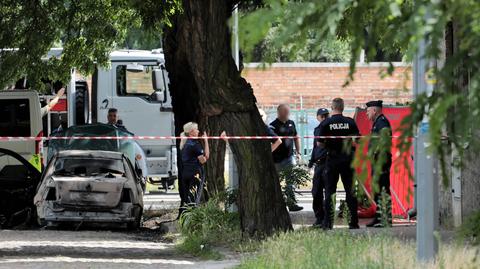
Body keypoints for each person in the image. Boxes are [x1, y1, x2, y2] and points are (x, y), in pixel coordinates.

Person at [318, 98, 360, 229]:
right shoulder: (350, 122)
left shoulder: (326, 123)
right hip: (348, 160)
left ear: (332, 107)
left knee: (330, 191)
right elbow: (358, 141)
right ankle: (353, 223)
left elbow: (319, 143)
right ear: (342, 107)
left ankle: (328, 223)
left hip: (332, 160)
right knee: (351, 192)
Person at [270, 104, 303, 212]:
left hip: (289, 158)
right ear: (279, 112)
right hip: (276, 160)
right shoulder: (273, 125)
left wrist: (298, 152)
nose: (287, 114)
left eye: (288, 111)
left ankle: (291, 203)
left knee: (290, 182)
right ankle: (276, 205)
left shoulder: (291, 123)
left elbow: (296, 137)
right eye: (285, 112)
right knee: (275, 183)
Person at [365, 100, 393, 227]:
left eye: (368, 111)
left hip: (381, 160)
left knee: (383, 189)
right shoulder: (377, 123)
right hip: (377, 161)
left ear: (374, 110)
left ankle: (385, 219)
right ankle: (379, 216)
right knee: (377, 189)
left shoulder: (382, 122)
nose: (366, 114)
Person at [308, 108, 330, 227]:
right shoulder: (317, 130)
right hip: (319, 164)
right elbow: (315, 147)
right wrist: (311, 162)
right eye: (322, 116)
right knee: (316, 191)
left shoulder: (330, 129)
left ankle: (327, 219)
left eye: (326, 116)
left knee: (328, 192)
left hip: (328, 163)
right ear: (318, 117)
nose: (324, 118)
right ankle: (319, 218)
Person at [180, 122, 209, 205]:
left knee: (187, 199)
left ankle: (186, 217)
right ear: (191, 132)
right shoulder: (195, 145)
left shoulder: (184, 143)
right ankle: (192, 217)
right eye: (196, 129)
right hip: (195, 174)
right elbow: (204, 159)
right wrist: (206, 141)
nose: (198, 131)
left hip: (185, 173)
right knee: (193, 200)